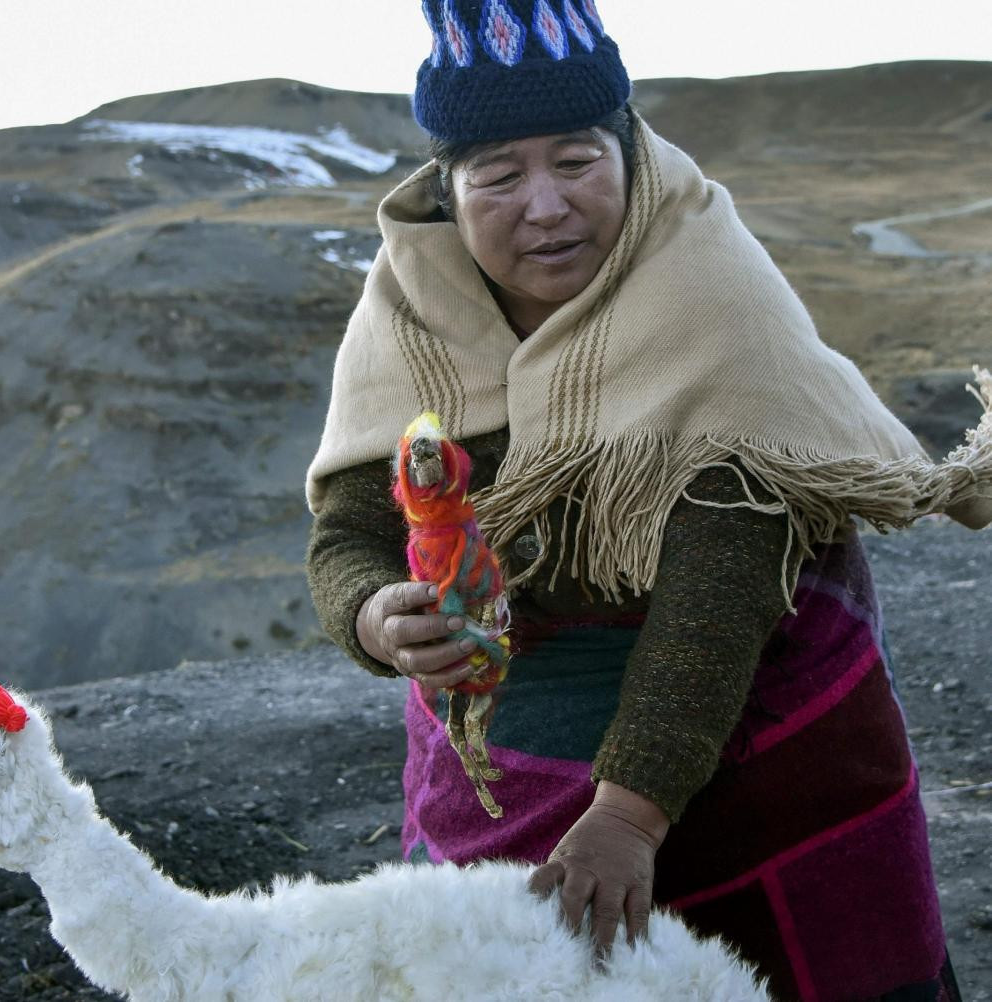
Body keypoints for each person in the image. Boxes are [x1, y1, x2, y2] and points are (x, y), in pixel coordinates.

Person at [304, 2, 991, 998]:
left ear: (630, 153)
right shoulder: (412, 318)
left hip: (761, 741)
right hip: (511, 766)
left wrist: (627, 817)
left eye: (577, 160)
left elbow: (721, 589)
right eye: (499, 175)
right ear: (448, 194)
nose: (544, 204)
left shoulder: (711, 301)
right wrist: (372, 615)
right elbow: (351, 527)